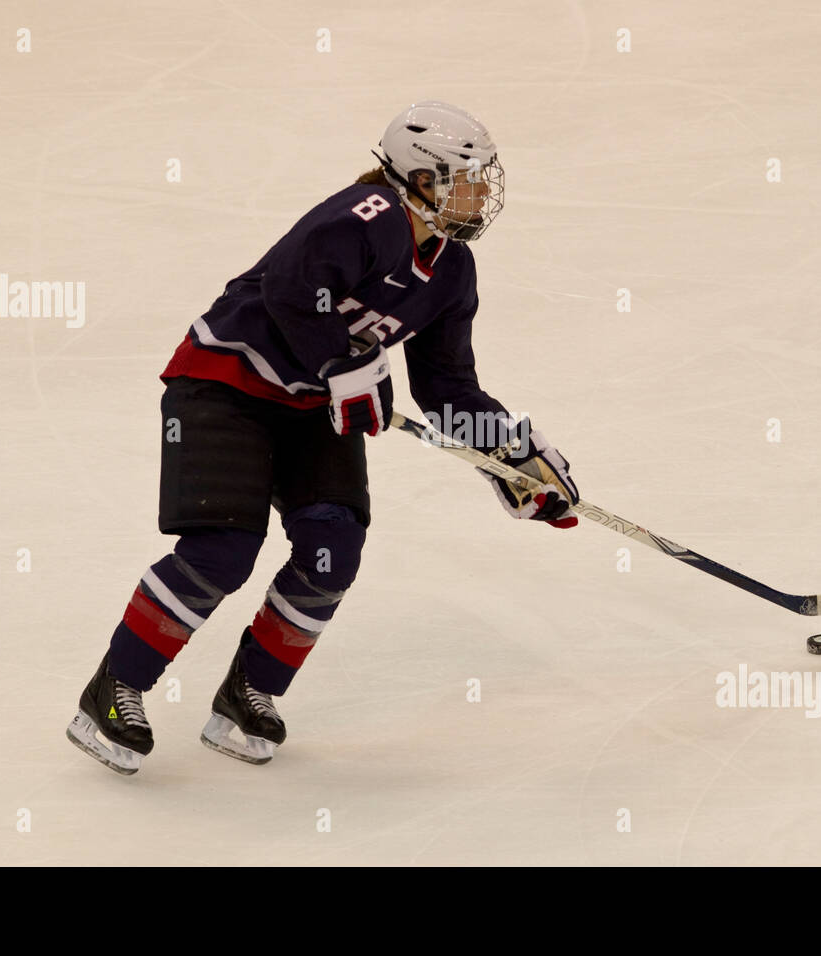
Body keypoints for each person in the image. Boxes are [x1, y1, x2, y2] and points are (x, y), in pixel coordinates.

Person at [66, 100, 581, 774]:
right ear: (422, 179)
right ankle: (115, 689)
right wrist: (342, 362)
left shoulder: (452, 271)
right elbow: (293, 289)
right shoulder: (364, 217)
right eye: (467, 176)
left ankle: (247, 694)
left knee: (333, 546)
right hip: (226, 384)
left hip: (313, 407)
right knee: (223, 547)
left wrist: (511, 456)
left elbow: (447, 387)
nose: (483, 191)